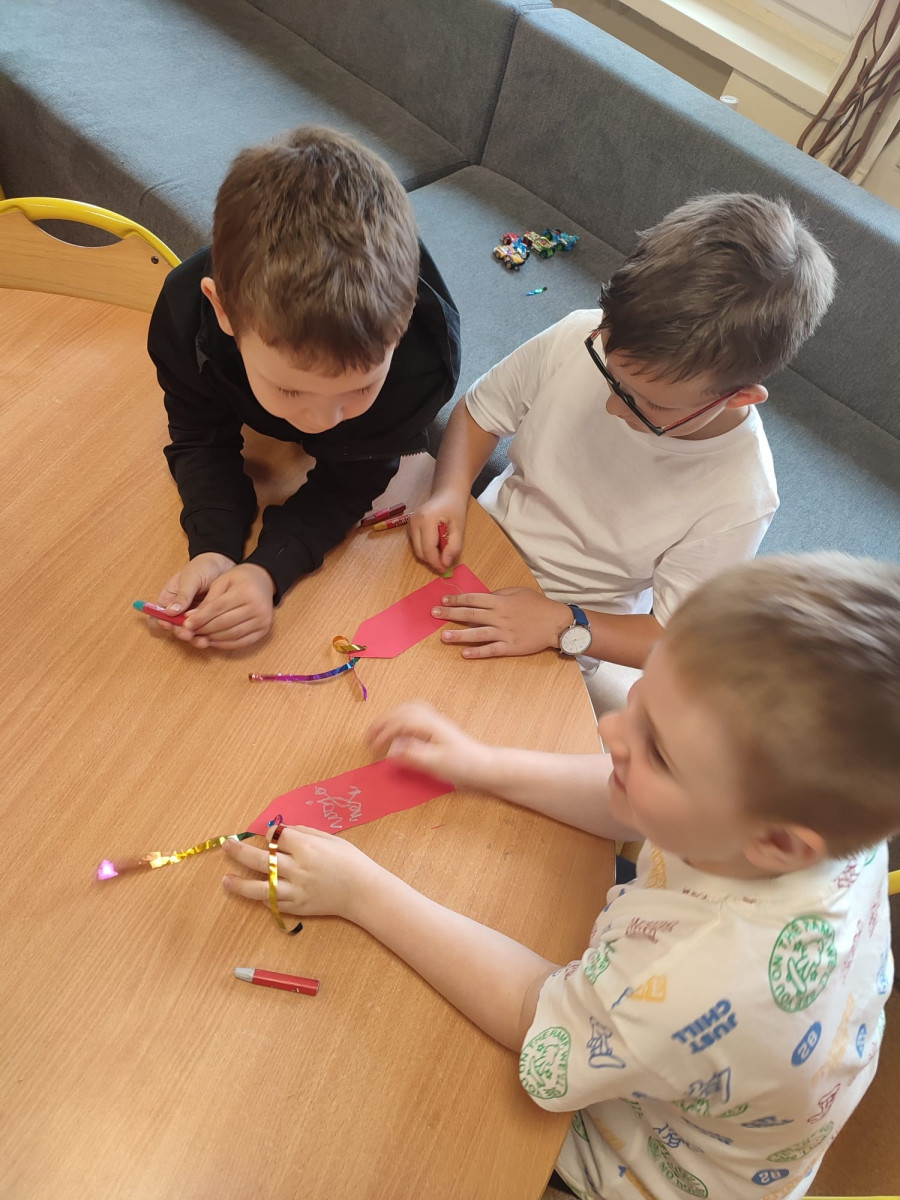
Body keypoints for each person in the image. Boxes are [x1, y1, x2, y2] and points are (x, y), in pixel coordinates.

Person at [222, 552, 899, 1200]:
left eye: (660, 752)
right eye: (642, 698)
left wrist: (361, 892)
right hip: (683, 1058)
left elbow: (536, 1016)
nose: (613, 731)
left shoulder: (705, 971)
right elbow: (625, 794)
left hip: (634, 1170)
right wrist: (482, 765)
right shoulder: (808, 818)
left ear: (778, 843)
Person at [408, 193, 835, 712]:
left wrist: (562, 622)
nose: (613, 406)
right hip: (479, 542)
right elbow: (480, 413)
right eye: (608, 372)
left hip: (568, 630)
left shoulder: (740, 495)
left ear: (739, 397)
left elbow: (671, 640)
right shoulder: (577, 334)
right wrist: (450, 492)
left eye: (650, 405)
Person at [146, 125, 460, 650]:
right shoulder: (184, 321)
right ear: (223, 312)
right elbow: (200, 435)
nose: (323, 422)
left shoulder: (421, 364)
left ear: (404, 322)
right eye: (291, 391)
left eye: (360, 388)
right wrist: (214, 546)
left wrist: (269, 569)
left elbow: (354, 476)